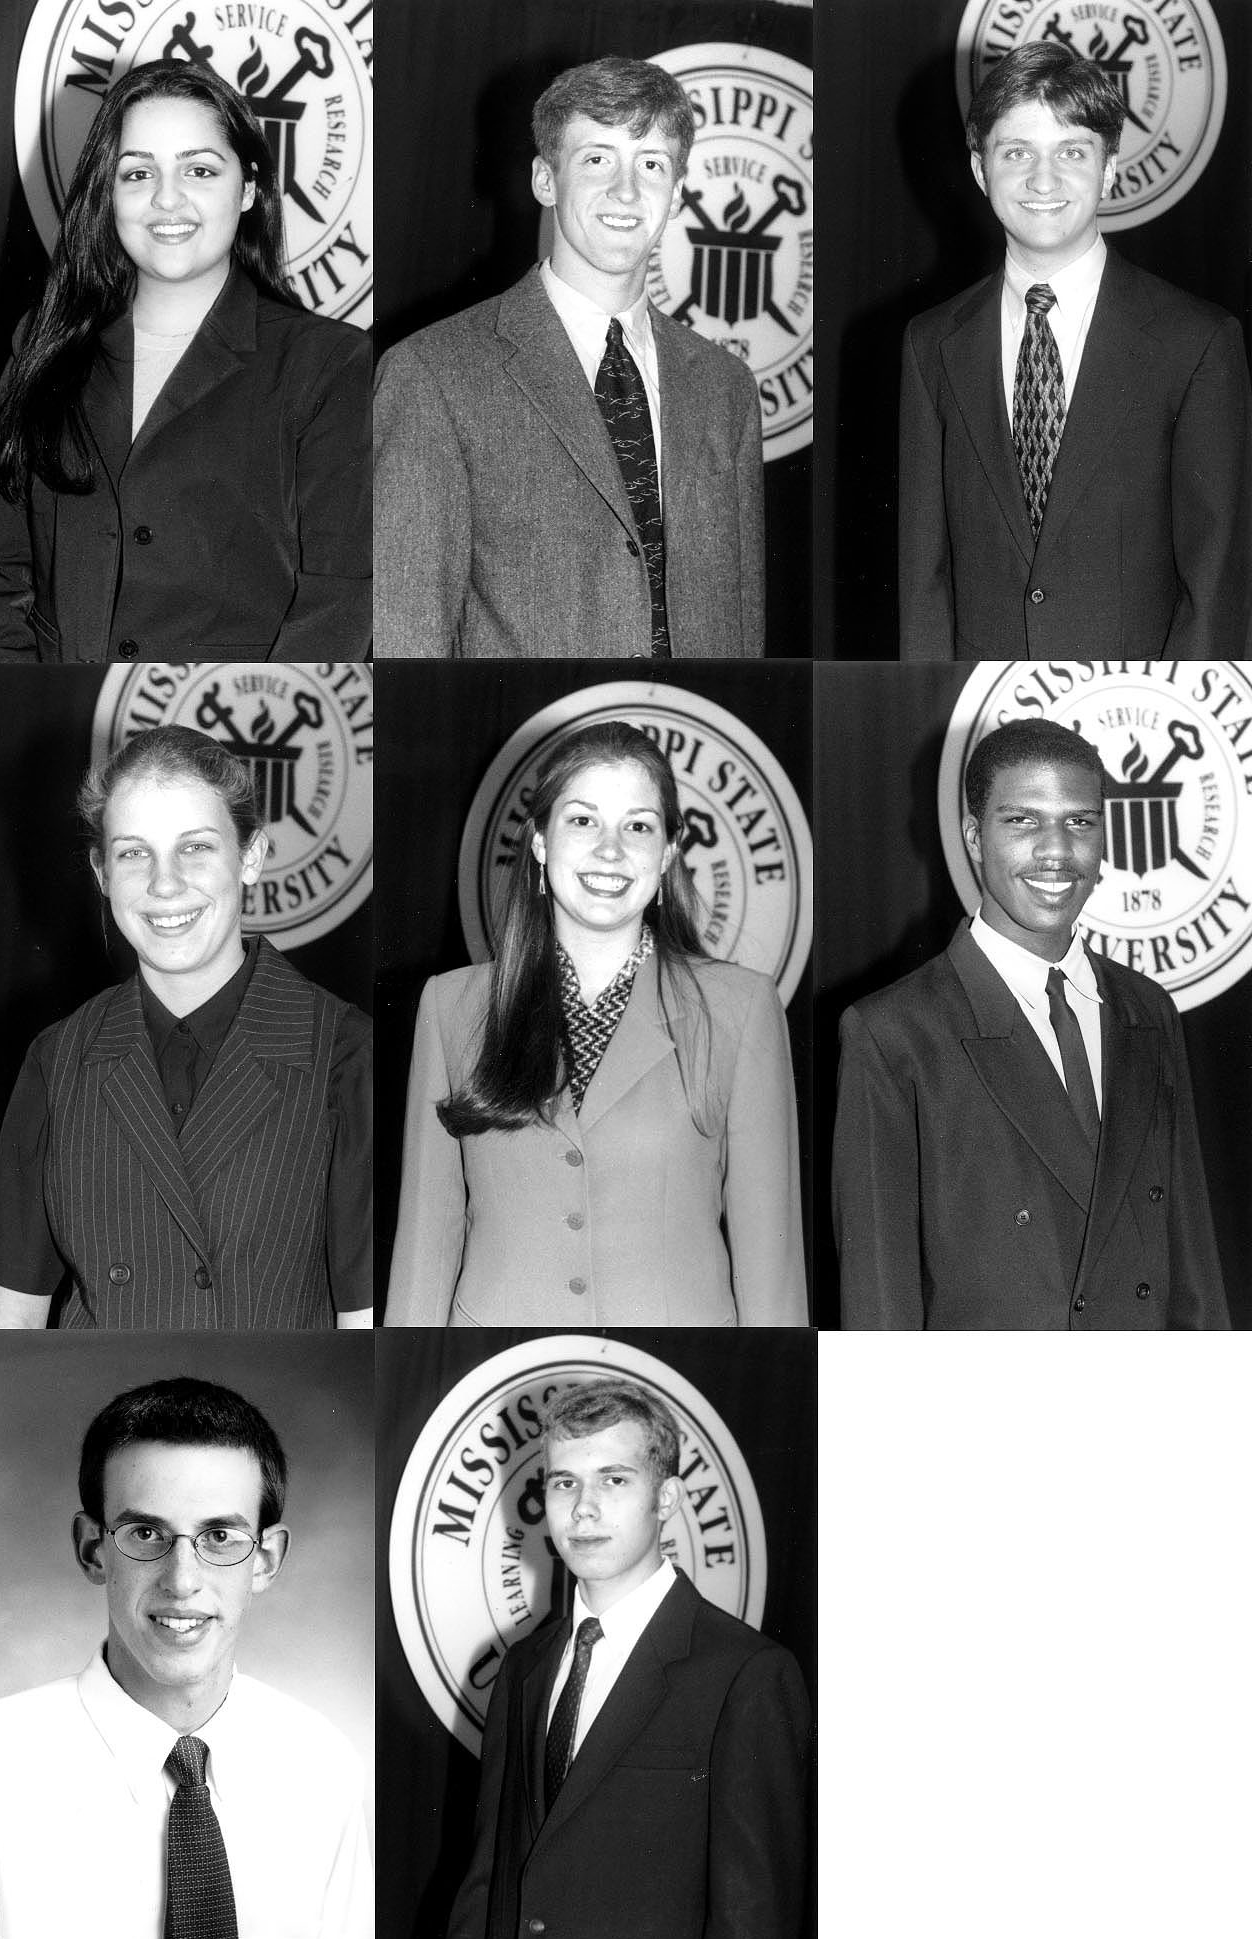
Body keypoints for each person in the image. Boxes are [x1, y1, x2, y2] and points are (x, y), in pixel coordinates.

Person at [0, 1375, 373, 1939]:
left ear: (267, 1560)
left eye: (219, 1537)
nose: (182, 1579)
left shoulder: (322, 1766)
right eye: (146, 1533)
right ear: (93, 1549)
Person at [385, 721, 806, 1326]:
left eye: (638, 826)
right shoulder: (451, 1006)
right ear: (539, 842)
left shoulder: (740, 1008)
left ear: (666, 855)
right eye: (583, 820)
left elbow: (773, 1272)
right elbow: (424, 1247)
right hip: (493, 1372)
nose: (611, 850)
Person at [0, 59, 372, 663]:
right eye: (138, 172)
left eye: (200, 169)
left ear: (249, 188)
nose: (166, 199)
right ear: (108, 193)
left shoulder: (328, 365)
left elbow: (340, 602)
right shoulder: (42, 345)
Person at [0, 724, 372, 1329]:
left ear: (251, 857)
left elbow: (362, 1321)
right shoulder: (57, 1058)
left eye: (196, 847)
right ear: (103, 874)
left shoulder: (344, 1050)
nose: (164, 883)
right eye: (134, 852)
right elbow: (12, 1317)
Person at [832, 718, 1230, 1331]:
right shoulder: (893, 1033)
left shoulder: (1148, 1011)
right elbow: (880, 1299)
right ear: (973, 835)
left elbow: (1191, 1259)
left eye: (1080, 822)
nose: (1057, 851)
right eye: (1023, 821)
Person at [372, 56, 764, 659]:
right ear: (545, 180)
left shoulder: (726, 387)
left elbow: (740, 629)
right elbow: (410, 634)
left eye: (651, 164)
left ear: (679, 193)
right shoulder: (432, 375)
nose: (626, 191)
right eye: (597, 159)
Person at [436, 1379, 811, 1939]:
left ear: (667, 1499)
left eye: (614, 1479)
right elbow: (484, 1887)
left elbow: (754, 1937)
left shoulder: (746, 1675)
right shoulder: (523, 1668)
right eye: (564, 1482)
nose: (584, 1508)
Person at [898, 42, 1252, 660]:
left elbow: (1215, 587)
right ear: (981, 170)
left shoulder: (1196, 342)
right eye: (1017, 152)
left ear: (1109, 167)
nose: (1043, 179)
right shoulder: (931, 344)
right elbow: (923, 582)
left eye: (1072, 151)